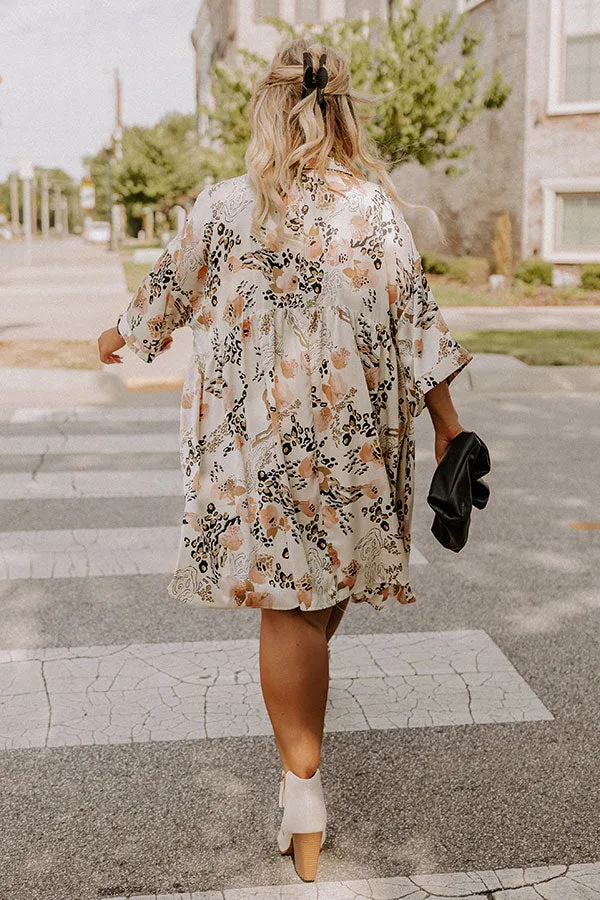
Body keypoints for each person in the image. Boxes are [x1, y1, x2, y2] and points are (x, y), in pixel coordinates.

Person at [98, 38, 473, 883]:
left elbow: (164, 290)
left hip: (254, 437)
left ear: (266, 109)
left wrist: (117, 337)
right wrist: (447, 426)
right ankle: (301, 781)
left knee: (296, 600)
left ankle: (301, 786)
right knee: (308, 600)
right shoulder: (374, 209)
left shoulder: (224, 205)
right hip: (352, 432)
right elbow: (421, 327)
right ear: (342, 111)